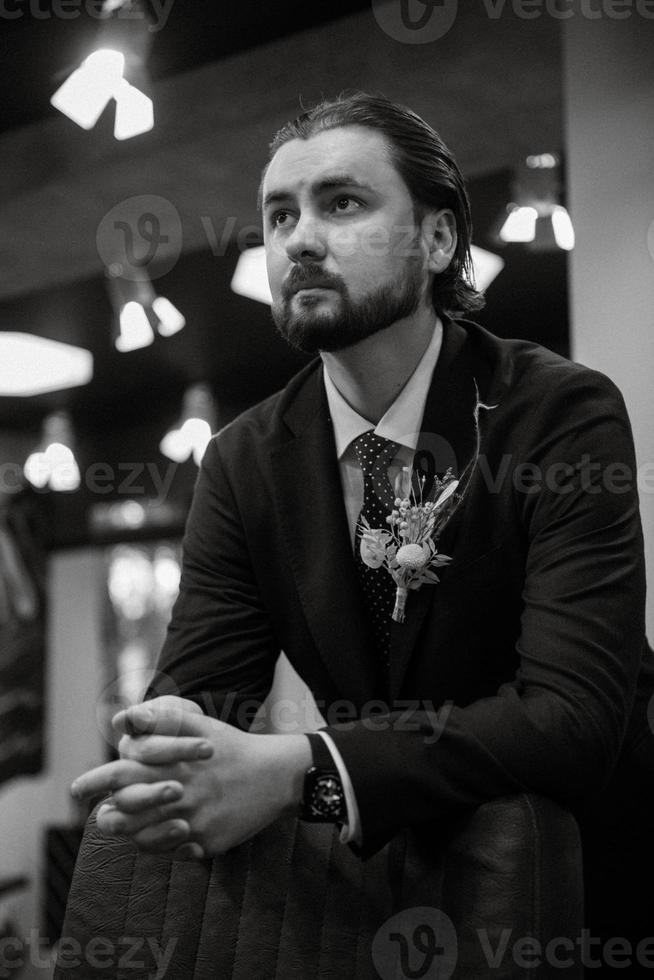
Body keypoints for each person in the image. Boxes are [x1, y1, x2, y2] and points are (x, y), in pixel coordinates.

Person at [71, 92, 653, 957]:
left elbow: (570, 721)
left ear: (440, 239)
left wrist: (305, 765)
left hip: (576, 897)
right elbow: (205, 696)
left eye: (342, 203)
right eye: (278, 215)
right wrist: (166, 749)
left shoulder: (558, 414)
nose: (299, 238)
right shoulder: (243, 460)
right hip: (360, 896)